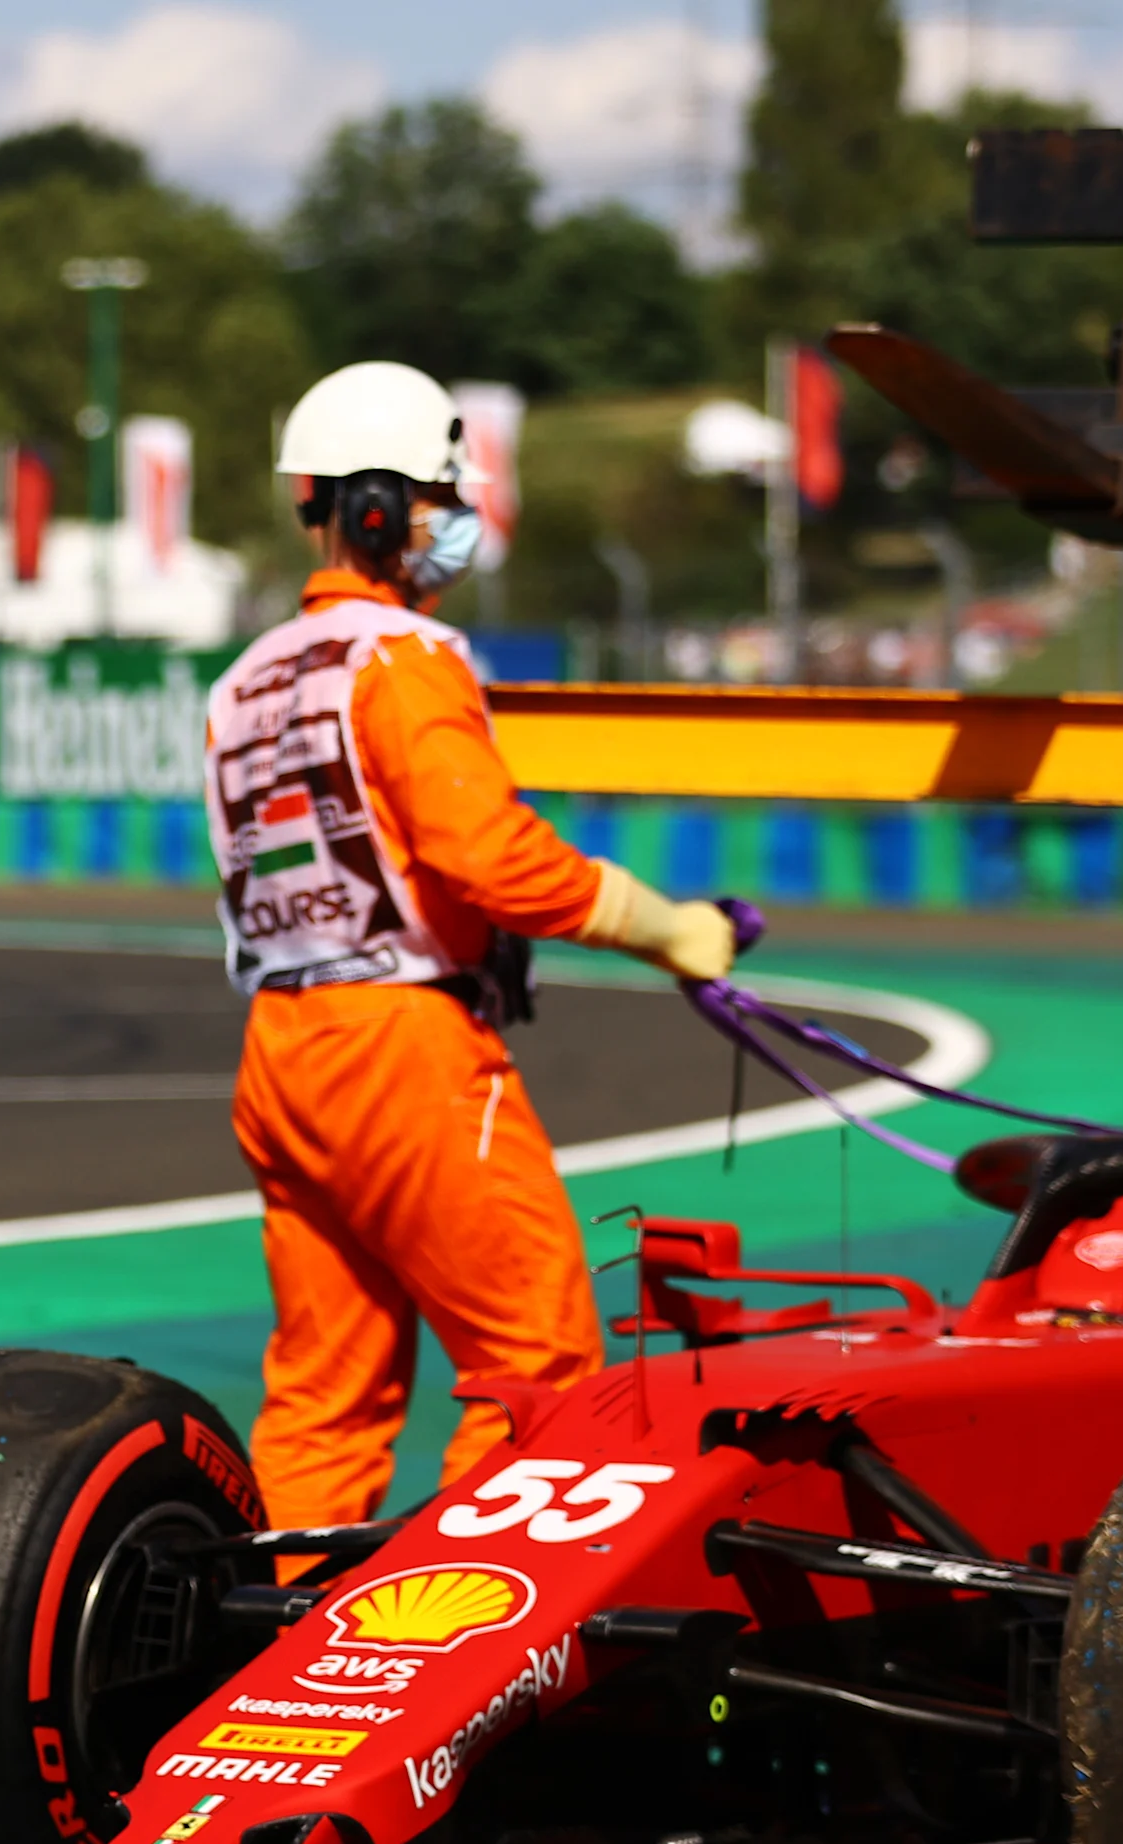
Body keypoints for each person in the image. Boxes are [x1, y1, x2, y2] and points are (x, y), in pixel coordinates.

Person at [206, 360, 737, 1533]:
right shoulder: (403, 660)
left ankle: (285, 1627)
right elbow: (489, 858)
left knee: (323, 1388)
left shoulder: (239, 680)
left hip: (280, 1051)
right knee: (536, 1357)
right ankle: (473, 1628)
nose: (456, 526)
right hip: (401, 1045)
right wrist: (667, 929)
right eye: (440, 499)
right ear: (379, 509)